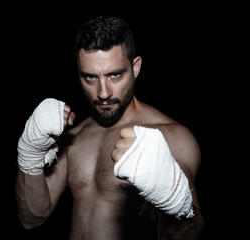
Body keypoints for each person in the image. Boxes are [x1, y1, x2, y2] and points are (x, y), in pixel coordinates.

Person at [16, 15, 204, 239]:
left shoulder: (171, 137)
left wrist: (173, 200)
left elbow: (187, 233)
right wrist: (29, 152)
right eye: (90, 78)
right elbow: (32, 218)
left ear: (135, 68)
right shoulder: (73, 137)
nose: (103, 92)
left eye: (115, 75)